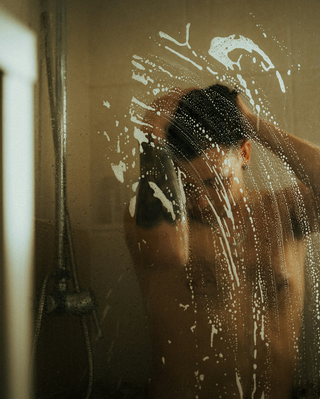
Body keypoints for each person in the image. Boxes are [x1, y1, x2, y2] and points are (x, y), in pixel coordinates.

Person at [125, 84, 320, 398]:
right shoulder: (151, 220)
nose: (202, 202)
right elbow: (169, 254)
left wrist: (253, 122)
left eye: (217, 182)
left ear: (244, 153)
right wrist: (151, 130)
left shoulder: (285, 215)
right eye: (186, 186)